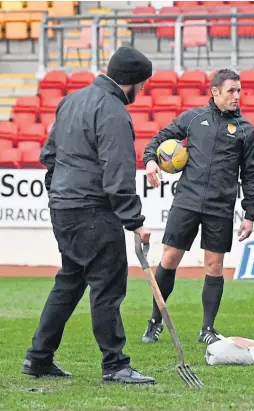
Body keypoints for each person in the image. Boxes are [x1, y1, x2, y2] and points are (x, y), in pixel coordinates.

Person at [23, 46, 156, 384]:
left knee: (69, 281)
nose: (143, 90)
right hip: (93, 210)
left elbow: (49, 155)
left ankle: (38, 358)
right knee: (108, 285)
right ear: (129, 81)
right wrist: (135, 220)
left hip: (64, 207)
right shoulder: (112, 110)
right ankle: (115, 364)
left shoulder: (71, 100)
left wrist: (58, 194)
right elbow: (118, 171)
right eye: (142, 83)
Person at [141, 69, 254, 346]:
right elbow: (159, 139)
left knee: (214, 265)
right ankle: (155, 321)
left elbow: (252, 175)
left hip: (220, 207)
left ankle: (207, 328)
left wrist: (250, 214)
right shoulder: (193, 118)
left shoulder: (245, 130)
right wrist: (150, 161)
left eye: (239, 91)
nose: (237, 96)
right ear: (215, 91)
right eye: (231, 91)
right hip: (187, 201)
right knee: (169, 259)